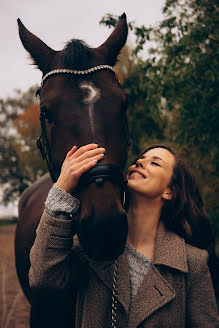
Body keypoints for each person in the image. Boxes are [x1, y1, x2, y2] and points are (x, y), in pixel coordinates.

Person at [29, 143, 219, 327]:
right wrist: (62, 188)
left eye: (155, 163)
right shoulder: (91, 245)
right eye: (140, 159)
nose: (140, 162)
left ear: (170, 191)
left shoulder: (193, 263)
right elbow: (43, 278)